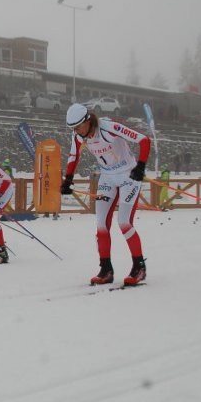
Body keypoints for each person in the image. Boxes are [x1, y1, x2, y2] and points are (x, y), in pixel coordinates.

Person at [61, 103, 151, 285]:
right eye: (73, 128)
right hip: (107, 178)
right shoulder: (78, 135)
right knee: (101, 225)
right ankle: (106, 269)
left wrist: (140, 167)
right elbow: (73, 156)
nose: (76, 131)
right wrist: (68, 179)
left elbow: (144, 140)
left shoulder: (109, 128)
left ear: (88, 121)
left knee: (124, 222)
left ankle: (139, 267)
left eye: (78, 127)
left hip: (128, 175)